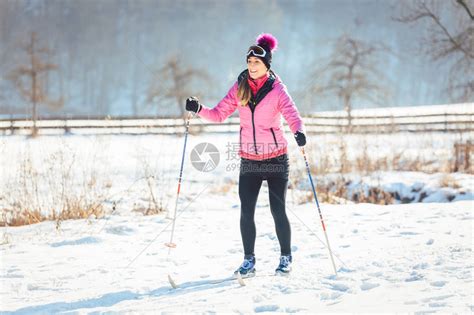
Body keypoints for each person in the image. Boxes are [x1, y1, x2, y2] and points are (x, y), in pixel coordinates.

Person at [185, 33, 306, 277]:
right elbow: (219, 114)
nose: (251, 67)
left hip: (275, 159)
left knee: (277, 210)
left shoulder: (277, 90)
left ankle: (285, 257)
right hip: (249, 160)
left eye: (256, 63)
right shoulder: (240, 87)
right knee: (246, 210)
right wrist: (199, 109)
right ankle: (248, 260)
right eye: (249, 62)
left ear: (266, 65)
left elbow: (293, 115)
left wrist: (299, 132)